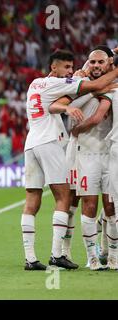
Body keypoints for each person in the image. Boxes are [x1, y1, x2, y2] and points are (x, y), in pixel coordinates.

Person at [21, 49, 118, 271]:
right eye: (66, 67)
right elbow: (92, 85)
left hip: (31, 143)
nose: (70, 71)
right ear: (53, 68)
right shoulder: (59, 84)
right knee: (65, 197)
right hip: (50, 142)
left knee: (32, 201)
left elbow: (84, 74)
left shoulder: (37, 83)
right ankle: (58, 255)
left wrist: (108, 54)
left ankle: (30, 258)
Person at [61, 47, 118, 269]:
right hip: (82, 151)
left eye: (100, 63)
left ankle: (110, 255)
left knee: (110, 208)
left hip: (110, 153)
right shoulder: (77, 81)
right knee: (80, 203)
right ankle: (87, 256)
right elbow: (64, 104)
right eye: (91, 62)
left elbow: (98, 116)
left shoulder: (111, 83)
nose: (95, 66)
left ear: (108, 64)